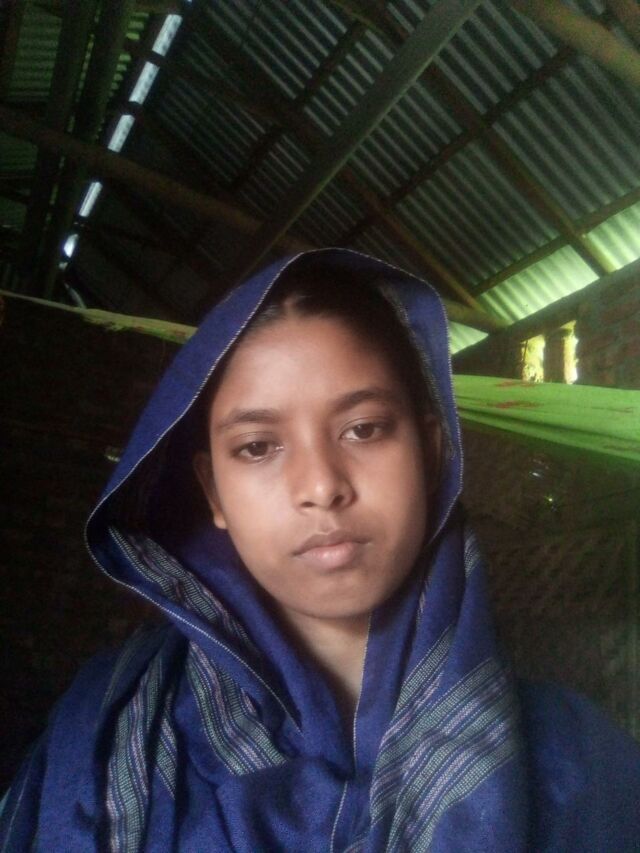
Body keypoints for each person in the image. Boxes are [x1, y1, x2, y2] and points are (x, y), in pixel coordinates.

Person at [1, 249, 639, 852]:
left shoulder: (582, 762)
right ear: (213, 491)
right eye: (257, 447)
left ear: (431, 450)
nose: (321, 486)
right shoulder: (102, 733)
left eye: (364, 429)